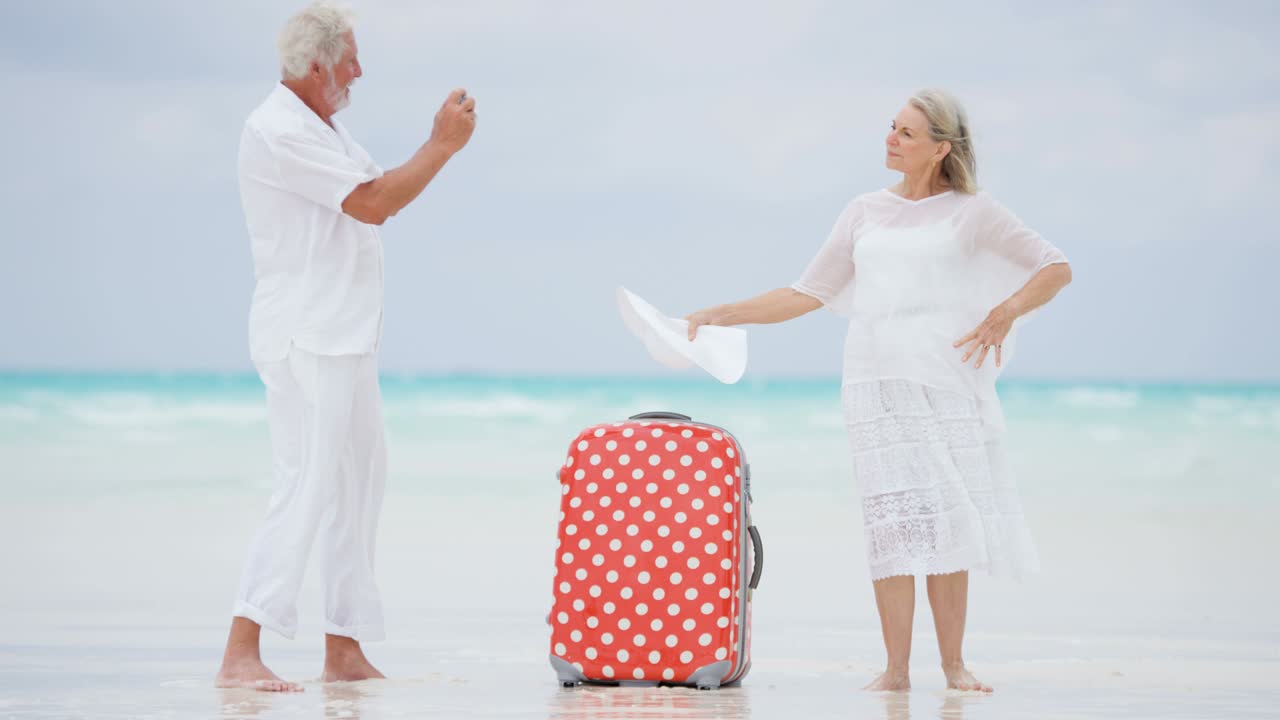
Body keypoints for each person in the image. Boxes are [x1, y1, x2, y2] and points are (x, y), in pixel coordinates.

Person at [684, 88, 1072, 693]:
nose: (890, 138)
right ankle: (895, 670)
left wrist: (1005, 313)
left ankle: (953, 666)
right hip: (873, 386)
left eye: (907, 133)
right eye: (891, 127)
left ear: (941, 148)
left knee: (947, 529)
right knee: (892, 529)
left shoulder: (974, 212)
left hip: (947, 384)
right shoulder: (863, 211)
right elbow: (807, 292)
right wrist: (724, 313)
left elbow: (1054, 267)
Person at [214, 0, 476, 692]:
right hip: (307, 333)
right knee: (306, 483)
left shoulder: (327, 129)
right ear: (316, 65)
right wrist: (442, 146)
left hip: (347, 334)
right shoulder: (276, 130)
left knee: (361, 482)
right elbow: (373, 202)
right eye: (349, 59)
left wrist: (433, 148)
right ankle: (241, 648)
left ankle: (344, 646)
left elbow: (378, 191)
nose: (360, 70)